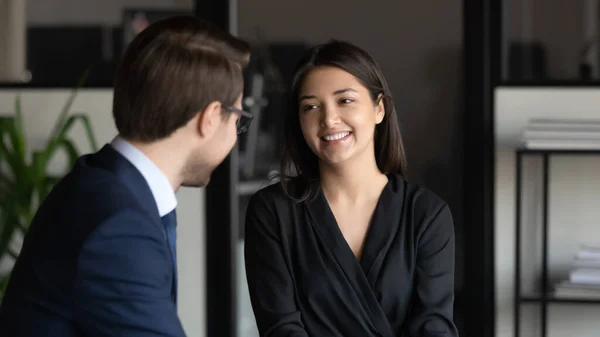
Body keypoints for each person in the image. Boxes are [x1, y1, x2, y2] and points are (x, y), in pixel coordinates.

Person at [0, 16, 251, 336]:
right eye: (239, 118)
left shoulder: (101, 182)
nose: (236, 134)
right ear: (211, 118)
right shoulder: (119, 226)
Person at [244, 40, 459, 337]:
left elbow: (433, 327)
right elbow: (281, 329)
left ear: (379, 108)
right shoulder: (273, 211)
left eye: (344, 101)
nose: (328, 119)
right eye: (311, 106)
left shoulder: (426, 214)